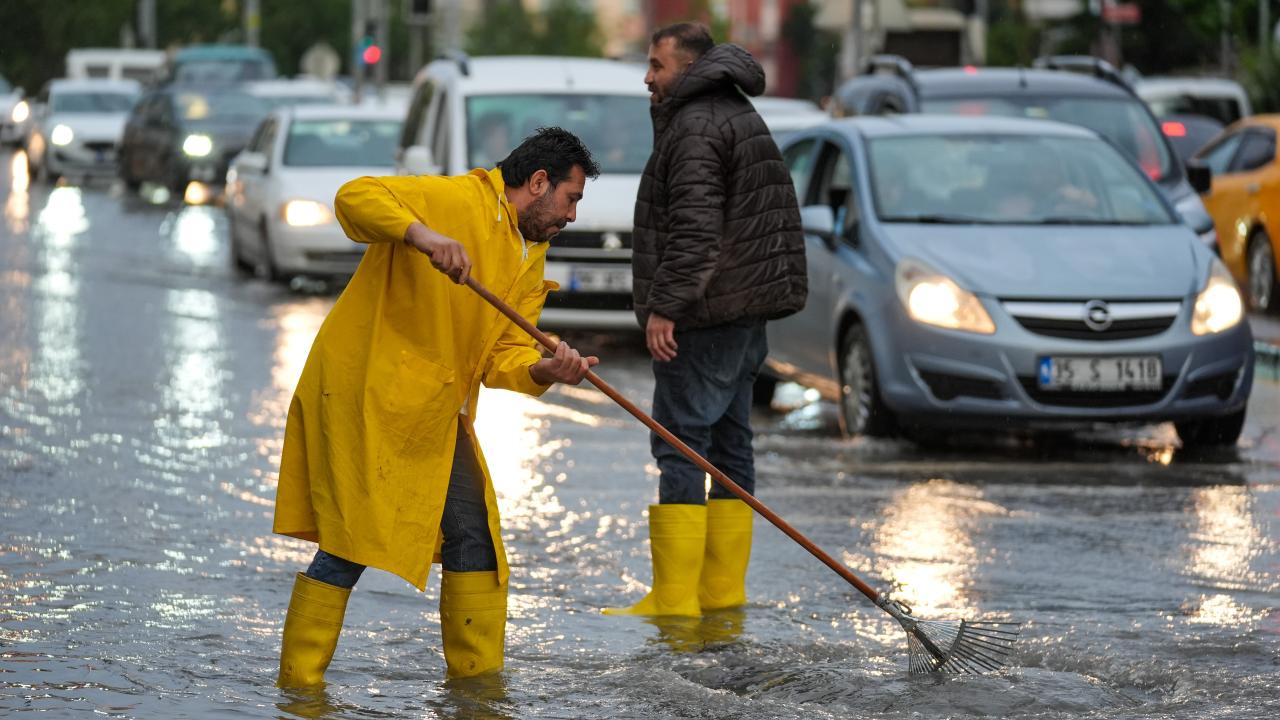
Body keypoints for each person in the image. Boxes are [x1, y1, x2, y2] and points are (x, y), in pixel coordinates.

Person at [273, 127, 601, 687]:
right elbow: (354, 197)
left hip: (434, 412)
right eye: (571, 199)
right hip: (368, 394)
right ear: (538, 182)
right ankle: (299, 687)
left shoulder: (530, 252)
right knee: (353, 541)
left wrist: (542, 370)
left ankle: (476, 689)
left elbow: (503, 353)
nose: (572, 215)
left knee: (473, 535)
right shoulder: (455, 199)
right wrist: (421, 235)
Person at [606, 24, 806, 618]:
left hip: (706, 312)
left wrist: (666, 306)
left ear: (689, 68)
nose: (647, 77)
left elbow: (696, 230)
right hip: (742, 311)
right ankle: (719, 593)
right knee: (729, 441)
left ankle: (674, 598)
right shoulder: (731, 112)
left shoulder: (697, 126)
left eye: (657, 66)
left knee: (680, 442)